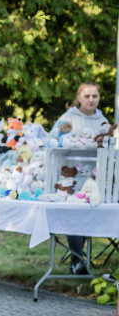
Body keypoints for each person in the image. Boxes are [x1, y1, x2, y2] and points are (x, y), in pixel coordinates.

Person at [49, 82, 113, 274]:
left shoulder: (102, 120)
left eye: (95, 96)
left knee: (89, 214)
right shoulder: (68, 118)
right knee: (74, 215)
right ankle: (76, 260)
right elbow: (53, 140)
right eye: (87, 96)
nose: (91, 100)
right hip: (72, 176)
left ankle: (78, 259)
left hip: (95, 176)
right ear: (79, 98)